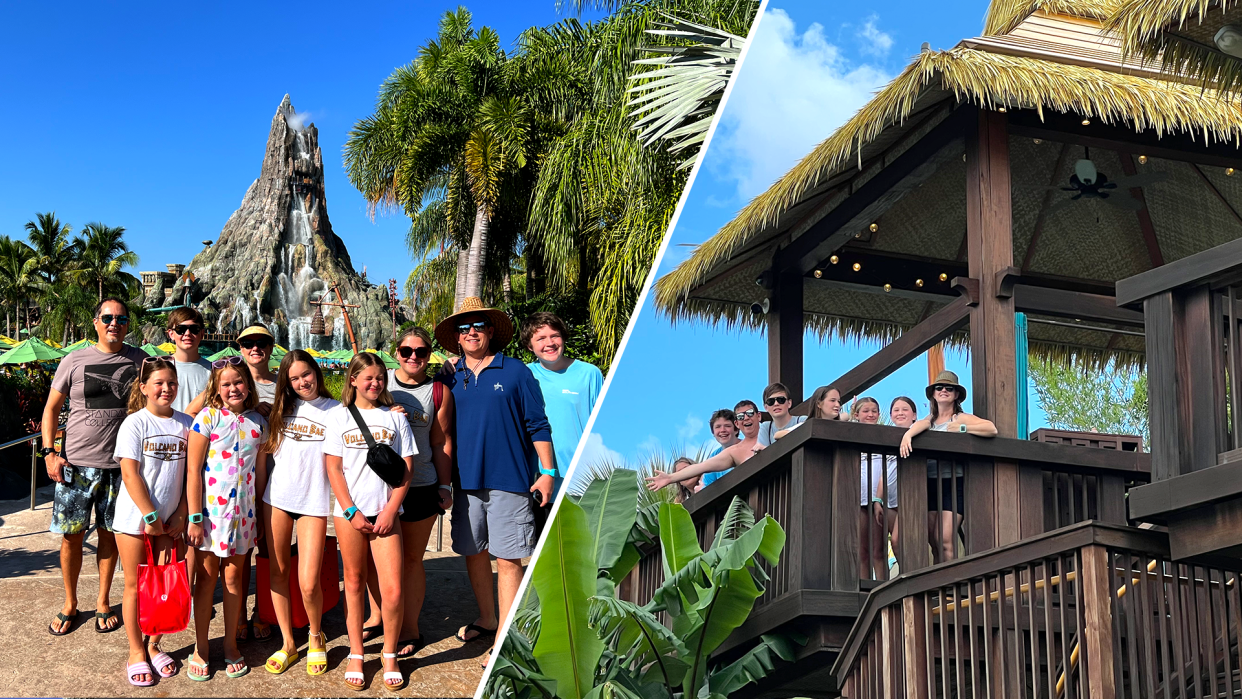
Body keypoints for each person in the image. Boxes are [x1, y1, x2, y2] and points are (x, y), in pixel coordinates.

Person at [433, 297, 554, 662]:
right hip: (464, 481)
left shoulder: (516, 372)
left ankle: (506, 637)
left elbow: (538, 424)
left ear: (490, 332)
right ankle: (488, 618)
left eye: (478, 326)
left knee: (509, 557)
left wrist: (547, 473)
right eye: (464, 327)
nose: (472, 332)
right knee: (473, 551)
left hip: (510, 480)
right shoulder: (448, 377)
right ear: (456, 337)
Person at [42, 298, 147, 636]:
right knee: (71, 536)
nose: (114, 323)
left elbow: (164, 392)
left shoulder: (141, 360)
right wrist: (48, 452)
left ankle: (103, 601)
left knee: (109, 535)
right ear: (96, 322)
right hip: (76, 465)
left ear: (128, 324)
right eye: (107, 318)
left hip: (121, 467)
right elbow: (51, 408)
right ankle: (70, 602)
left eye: (121, 318)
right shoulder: (74, 360)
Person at [326, 352, 415, 691]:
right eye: (368, 378)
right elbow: (334, 468)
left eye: (380, 378)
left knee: (392, 590)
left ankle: (389, 653)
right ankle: (357, 653)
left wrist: (392, 510)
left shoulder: (395, 420)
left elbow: (406, 469)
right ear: (353, 380)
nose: (375, 383)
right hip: (350, 514)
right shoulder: (338, 418)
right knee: (353, 582)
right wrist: (350, 510)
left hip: (386, 512)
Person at [186, 356, 268, 680]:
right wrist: (194, 517)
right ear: (217, 389)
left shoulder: (257, 424)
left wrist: (260, 514)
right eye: (226, 383)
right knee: (206, 579)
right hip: (210, 514)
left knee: (235, 579)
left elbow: (259, 472)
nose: (233, 388)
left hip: (243, 515)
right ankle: (201, 646)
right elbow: (193, 470)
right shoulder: (207, 418)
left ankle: (231, 643)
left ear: (248, 386)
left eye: (238, 382)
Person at [111, 357, 192, 686]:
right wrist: (150, 515)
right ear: (143, 387)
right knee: (135, 586)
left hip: (171, 523)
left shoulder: (186, 423)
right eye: (158, 383)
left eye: (171, 382)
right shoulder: (135, 424)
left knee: (163, 586)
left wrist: (182, 513)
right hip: (135, 520)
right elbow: (129, 473)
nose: (166, 388)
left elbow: (192, 475)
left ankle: (155, 644)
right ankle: (135, 651)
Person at [260, 350, 339, 676]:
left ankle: (316, 635)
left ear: (316, 373)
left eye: (306, 374)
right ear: (286, 382)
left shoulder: (336, 410)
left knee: (308, 582)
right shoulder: (281, 408)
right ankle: (288, 644)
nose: (302, 382)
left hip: (313, 503)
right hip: (275, 498)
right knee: (276, 573)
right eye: (294, 378)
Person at [383, 327, 454, 660]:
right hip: (377, 484)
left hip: (421, 483)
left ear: (429, 355)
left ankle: (409, 627)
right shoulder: (378, 380)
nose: (413, 357)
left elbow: (440, 442)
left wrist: (444, 484)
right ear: (396, 352)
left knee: (411, 561)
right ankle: (377, 618)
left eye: (421, 352)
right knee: (377, 562)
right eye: (406, 350)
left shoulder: (438, 392)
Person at [899, 371, 998, 562]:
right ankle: (938, 585)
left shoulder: (959, 418)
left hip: (953, 483)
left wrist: (962, 429)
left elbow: (991, 429)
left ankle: (950, 585)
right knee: (933, 541)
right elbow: (919, 425)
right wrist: (908, 435)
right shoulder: (929, 420)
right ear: (933, 394)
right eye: (939, 387)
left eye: (949, 388)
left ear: (956, 394)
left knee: (944, 538)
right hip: (929, 483)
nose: (943, 390)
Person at [521, 312, 604, 496]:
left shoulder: (590, 374)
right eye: (541, 338)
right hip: (540, 478)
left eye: (555, 336)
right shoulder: (524, 375)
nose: (549, 343)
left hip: (582, 479)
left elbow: (603, 426)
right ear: (529, 346)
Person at [234, 323, 277, 642]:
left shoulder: (283, 383)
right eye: (248, 343)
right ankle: (236, 616)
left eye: (261, 342)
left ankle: (263, 610)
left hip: (279, 477)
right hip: (241, 482)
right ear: (240, 348)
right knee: (240, 553)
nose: (255, 347)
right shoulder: (232, 383)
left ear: (271, 347)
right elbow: (198, 413)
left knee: (269, 549)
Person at [646, 400, 763, 491]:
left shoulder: (770, 432)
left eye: (749, 413)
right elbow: (701, 467)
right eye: (741, 416)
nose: (746, 418)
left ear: (758, 416)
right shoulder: (734, 451)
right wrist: (670, 478)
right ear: (737, 423)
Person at [851, 396, 893, 579]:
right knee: (862, 549)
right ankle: (865, 590)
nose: (870, 414)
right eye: (865, 411)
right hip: (858, 495)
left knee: (879, 548)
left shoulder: (884, 435)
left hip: (879, 495)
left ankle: (884, 588)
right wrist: (850, 416)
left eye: (874, 411)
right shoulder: (850, 432)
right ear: (856, 414)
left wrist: (879, 498)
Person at [165, 307, 212, 415]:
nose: (187, 333)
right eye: (180, 329)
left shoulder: (214, 371)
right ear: (171, 334)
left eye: (194, 329)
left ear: (202, 333)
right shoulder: (160, 369)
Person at [698, 409, 740, 489]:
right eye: (718, 427)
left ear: (736, 429)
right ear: (713, 433)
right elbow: (707, 486)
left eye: (727, 426)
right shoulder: (714, 456)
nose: (722, 430)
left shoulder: (746, 446)